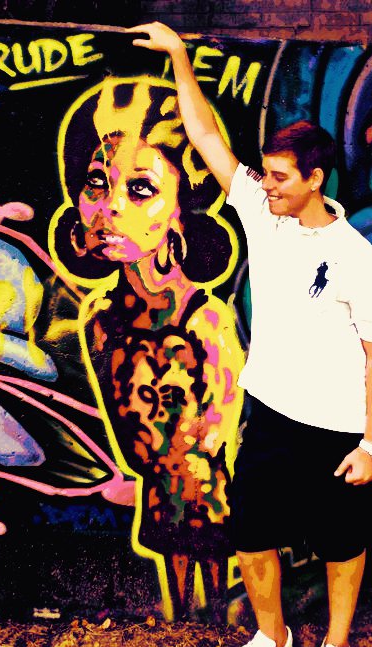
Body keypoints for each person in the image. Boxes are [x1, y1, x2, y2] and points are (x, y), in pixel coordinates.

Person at [129, 23, 372, 647]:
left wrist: (371, 446)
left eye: (280, 177)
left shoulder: (356, 257)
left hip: (338, 430)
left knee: (341, 548)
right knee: (251, 541)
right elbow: (205, 136)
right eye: (266, 174)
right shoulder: (263, 213)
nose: (265, 184)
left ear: (314, 180)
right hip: (271, 418)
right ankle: (272, 639)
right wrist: (179, 57)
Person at [51, 77, 245, 615]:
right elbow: (121, 423)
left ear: (182, 208)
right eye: (96, 182)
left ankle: (214, 618)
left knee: (210, 549)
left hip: (202, 479)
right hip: (158, 481)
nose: (110, 207)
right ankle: (184, 622)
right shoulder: (101, 319)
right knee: (171, 552)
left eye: (140, 189)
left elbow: (222, 417)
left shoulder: (204, 319)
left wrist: (193, 454)